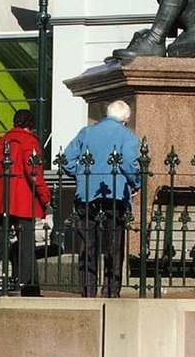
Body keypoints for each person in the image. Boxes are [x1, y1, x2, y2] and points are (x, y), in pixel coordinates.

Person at [0, 109, 51, 296]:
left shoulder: (2, 141)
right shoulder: (30, 142)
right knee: (26, 246)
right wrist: (45, 196)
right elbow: (34, 173)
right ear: (30, 125)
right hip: (23, 200)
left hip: (1, 200)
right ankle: (29, 287)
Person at [63, 100, 140, 298]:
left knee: (87, 245)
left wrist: (81, 174)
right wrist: (136, 183)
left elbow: (66, 159)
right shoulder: (127, 136)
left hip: (86, 194)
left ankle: (88, 290)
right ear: (125, 120)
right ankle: (110, 290)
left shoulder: (86, 132)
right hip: (114, 195)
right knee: (114, 245)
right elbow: (129, 164)